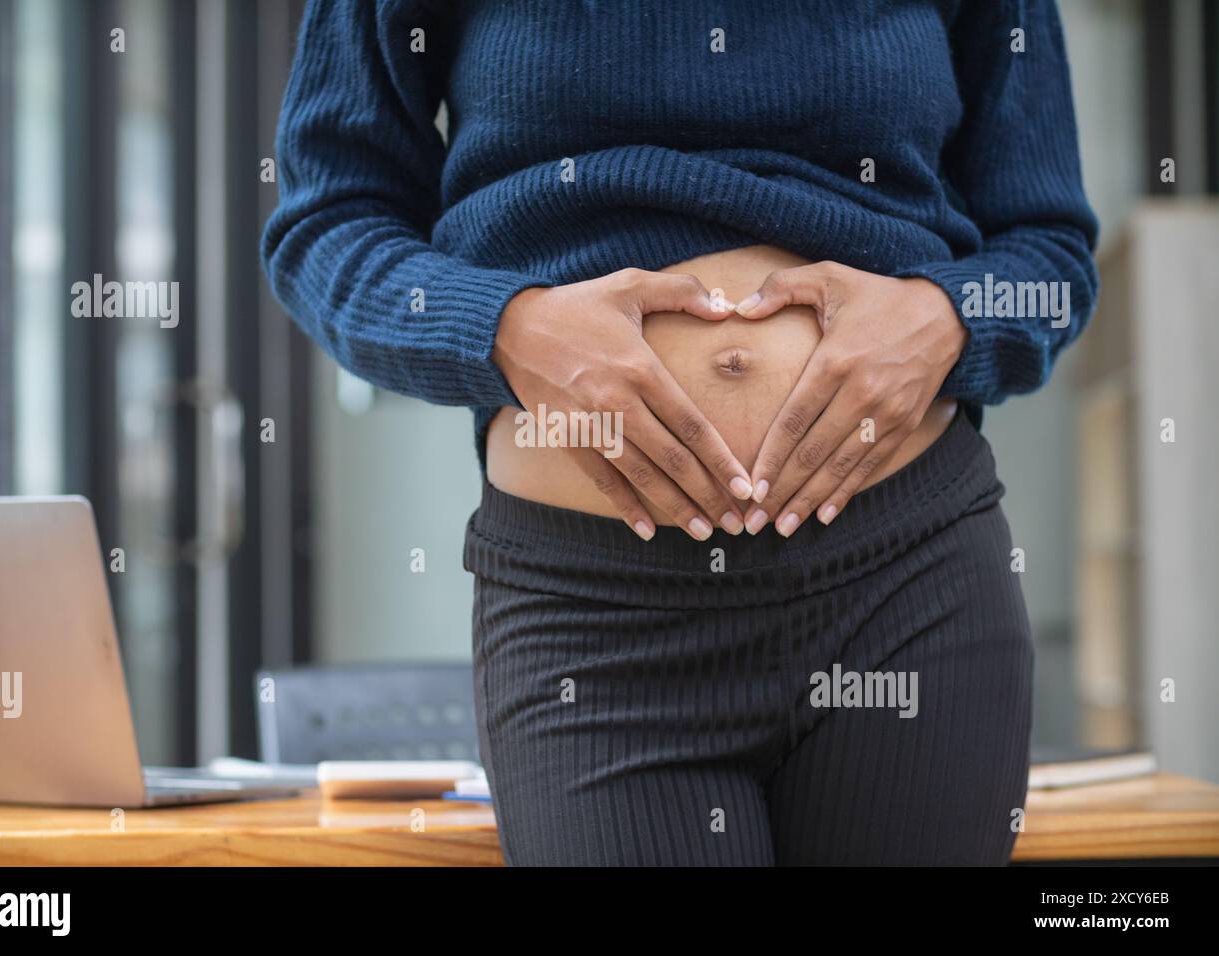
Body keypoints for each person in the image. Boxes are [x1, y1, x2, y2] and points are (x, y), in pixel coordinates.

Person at [263, 0, 1098, 865]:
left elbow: (1049, 250)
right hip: (594, 617)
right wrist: (504, 327)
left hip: (907, 579)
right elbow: (327, 226)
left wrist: (946, 319)